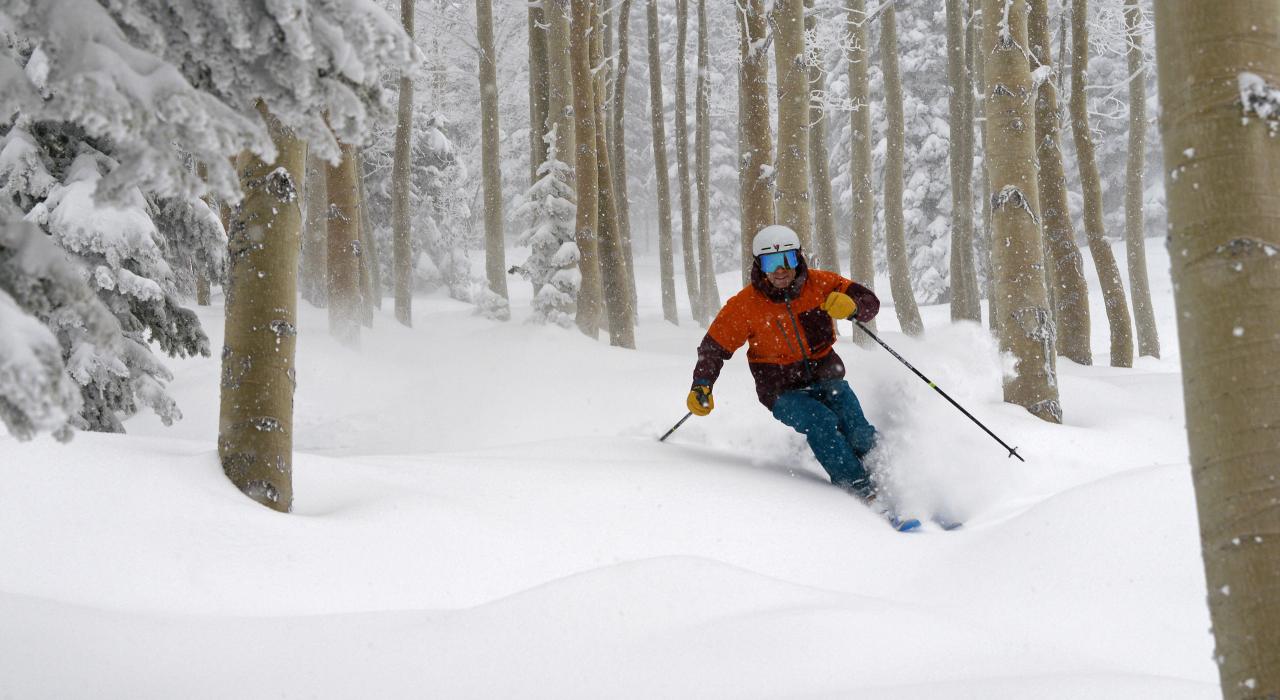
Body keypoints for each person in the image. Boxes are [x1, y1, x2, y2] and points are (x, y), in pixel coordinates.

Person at [686, 224, 900, 518]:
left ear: (798, 257)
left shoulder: (821, 285)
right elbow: (713, 348)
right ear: (759, 265)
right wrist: (702, 383)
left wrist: (854, 306)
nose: (781, 270)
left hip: (827, 377)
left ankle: (894, 478)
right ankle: (860, 489)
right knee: (822, 421)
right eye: (771, 262)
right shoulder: (745, 306)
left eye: (787, 259)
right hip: (781, 390)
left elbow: (869, 303)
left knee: (858, 431)